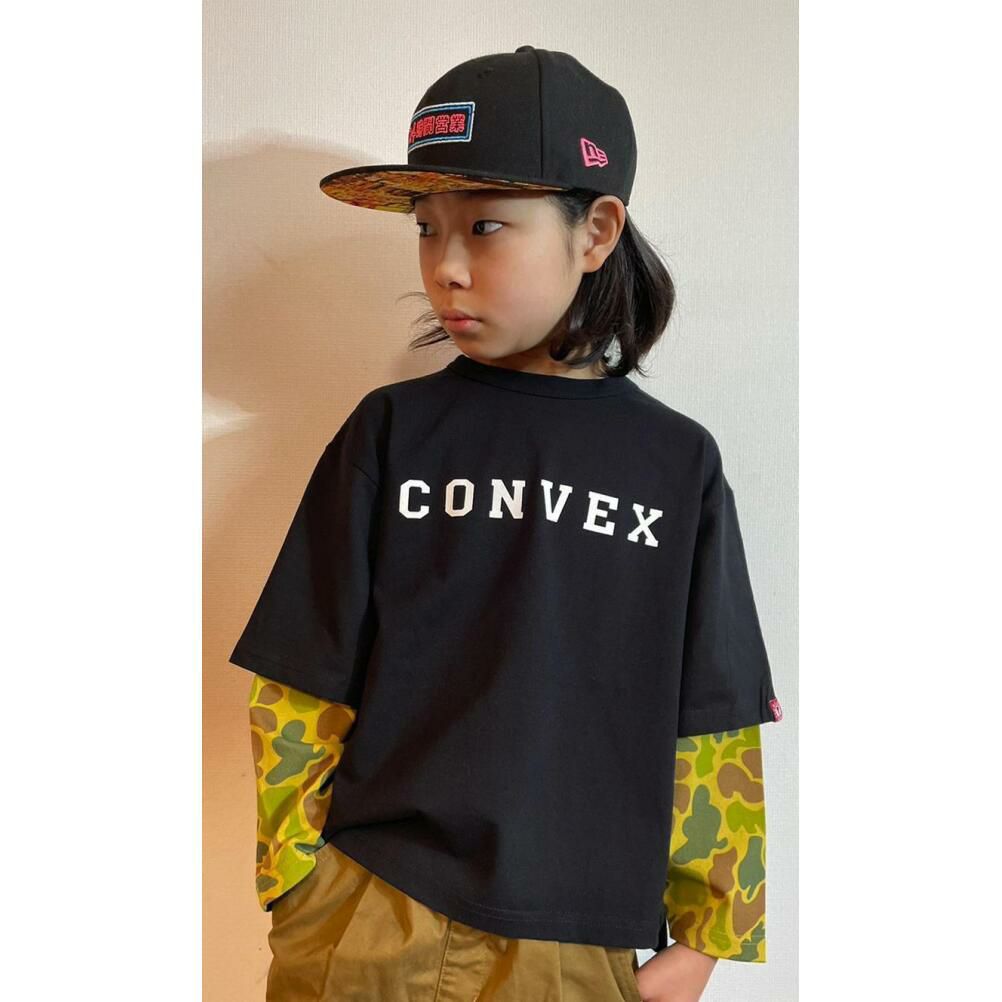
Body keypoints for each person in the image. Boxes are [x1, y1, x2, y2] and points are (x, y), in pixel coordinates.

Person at [229, 45, 784, 1002]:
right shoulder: (392, 432)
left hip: (576, 943)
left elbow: (714, 711)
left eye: (486, 226)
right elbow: (301, 671)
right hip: (370, 911)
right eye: (426, 228)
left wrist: (708, 936)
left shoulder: (675, 464)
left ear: (596, 231)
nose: (446, 267)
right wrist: (297, 883)